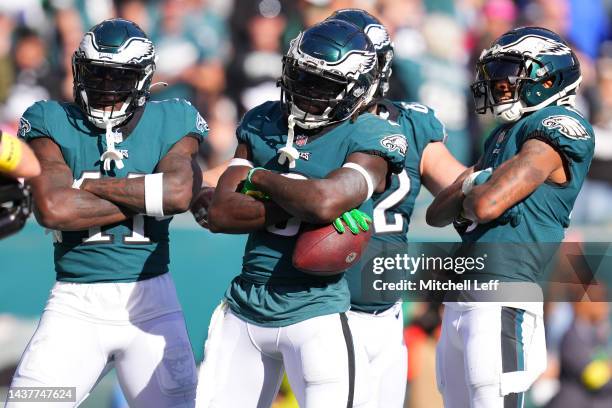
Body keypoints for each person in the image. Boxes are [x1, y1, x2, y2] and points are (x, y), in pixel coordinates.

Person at [195, 19, 407, 408]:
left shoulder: (373, 134)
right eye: (303, 78)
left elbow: (324, 201)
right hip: (245, 306)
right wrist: (304, 200)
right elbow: (223, 212)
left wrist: (258, 176)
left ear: (356, 89)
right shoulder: (264, 120)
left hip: (317, 312)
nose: (308, 93)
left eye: (324, 85)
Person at [6, 18, 207, 408]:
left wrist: (86, 186)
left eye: (118, 77)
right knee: (29, 402)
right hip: (74, 306)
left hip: (151, 306)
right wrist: (147, 192)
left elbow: (179, 194)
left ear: (143, 79)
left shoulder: (173, 117)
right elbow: (53, 207)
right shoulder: (51, 118)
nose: (106, 87)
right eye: (97, 75)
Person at [426, 27, 594, 408]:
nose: (499, 83)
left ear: (547, 77)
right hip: (460, 300)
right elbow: (438, 213)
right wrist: (477, 183)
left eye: (508, 71)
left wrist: (472, 187)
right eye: (495, 73)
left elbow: (487, 205)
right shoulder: (501, 136)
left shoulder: (560, 126)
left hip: (503, 295)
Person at [326, 8, 466, 408]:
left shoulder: (414, 122)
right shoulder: (320, 121)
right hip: (328, 302)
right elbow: (464, 184)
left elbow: (462, 186)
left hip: (386, 307)